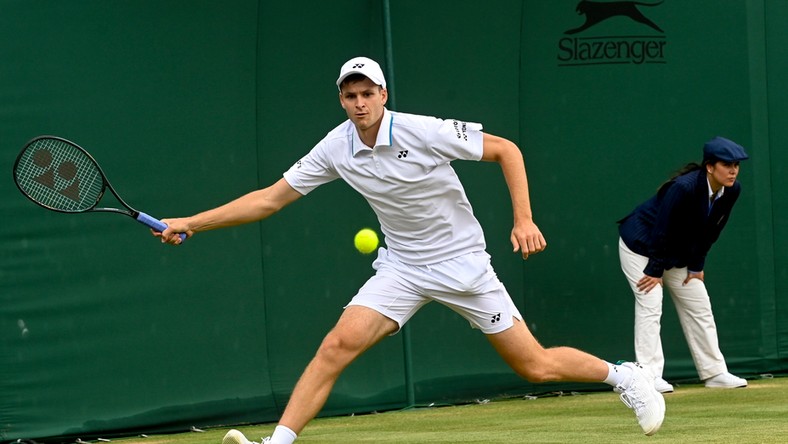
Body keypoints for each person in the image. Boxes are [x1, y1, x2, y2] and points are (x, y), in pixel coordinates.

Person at [155, 56, 665, 443]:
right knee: (336, 345)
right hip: (400, 267)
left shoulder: (423, 131)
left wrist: (524, 218)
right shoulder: (337, 146)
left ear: (382, 93)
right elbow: (270, 199)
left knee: (535, 366)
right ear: (341, 99)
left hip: (463, 264)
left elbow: (506, 150)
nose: (359, 103)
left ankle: (623, 375)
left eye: (366, 93)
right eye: (349, 95)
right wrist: (192, 223)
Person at [617, 136, 749, 393]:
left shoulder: (732, 190)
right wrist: (655, 270)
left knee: (699, 302)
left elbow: (712, 230)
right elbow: (661, 230)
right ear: (710, 167)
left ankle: (715, 372)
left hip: (675, 252)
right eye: (727, 164)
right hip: (641, 246)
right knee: (651, 301)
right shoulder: (683, 187)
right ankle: (649, 375)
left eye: (736, 165)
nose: (733, 170)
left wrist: (696, 266)